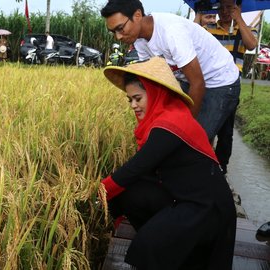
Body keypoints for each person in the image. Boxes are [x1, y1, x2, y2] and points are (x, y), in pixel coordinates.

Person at [101, 57, 237, 270]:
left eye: (137, 98)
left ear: (156, 93)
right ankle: (173, 246)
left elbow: (136, 167)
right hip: (184, 197)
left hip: (207, 208)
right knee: (129, 194)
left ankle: (173, 247)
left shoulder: (170, 124)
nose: (133, 105)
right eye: (130, 100)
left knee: (148, 245)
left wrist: (96, 192)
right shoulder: (166, 118)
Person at [100, 0, 240, 147]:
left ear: (137, 15)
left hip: (221, 81)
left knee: (193, 139)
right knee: (174, 129)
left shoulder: (171, 32)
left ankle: (211, 166)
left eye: (120, 28)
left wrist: (183, 129)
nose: (118, 36)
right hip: (189, 80)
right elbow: (154, 80)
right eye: (113, 32)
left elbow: (198, 83)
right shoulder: (140, 40)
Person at [205, 0, 257, 175]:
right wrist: (199, 15)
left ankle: (221, 168)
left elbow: (251, 45)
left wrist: (239, 19)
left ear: (238, 8)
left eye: (229, 7)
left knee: (226, 132)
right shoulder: (209, 28)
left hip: (230, 88)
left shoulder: (243, 29)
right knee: (207, 126)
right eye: (221, 7)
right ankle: (205, 164)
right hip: (210, 85)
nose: (225, 11)